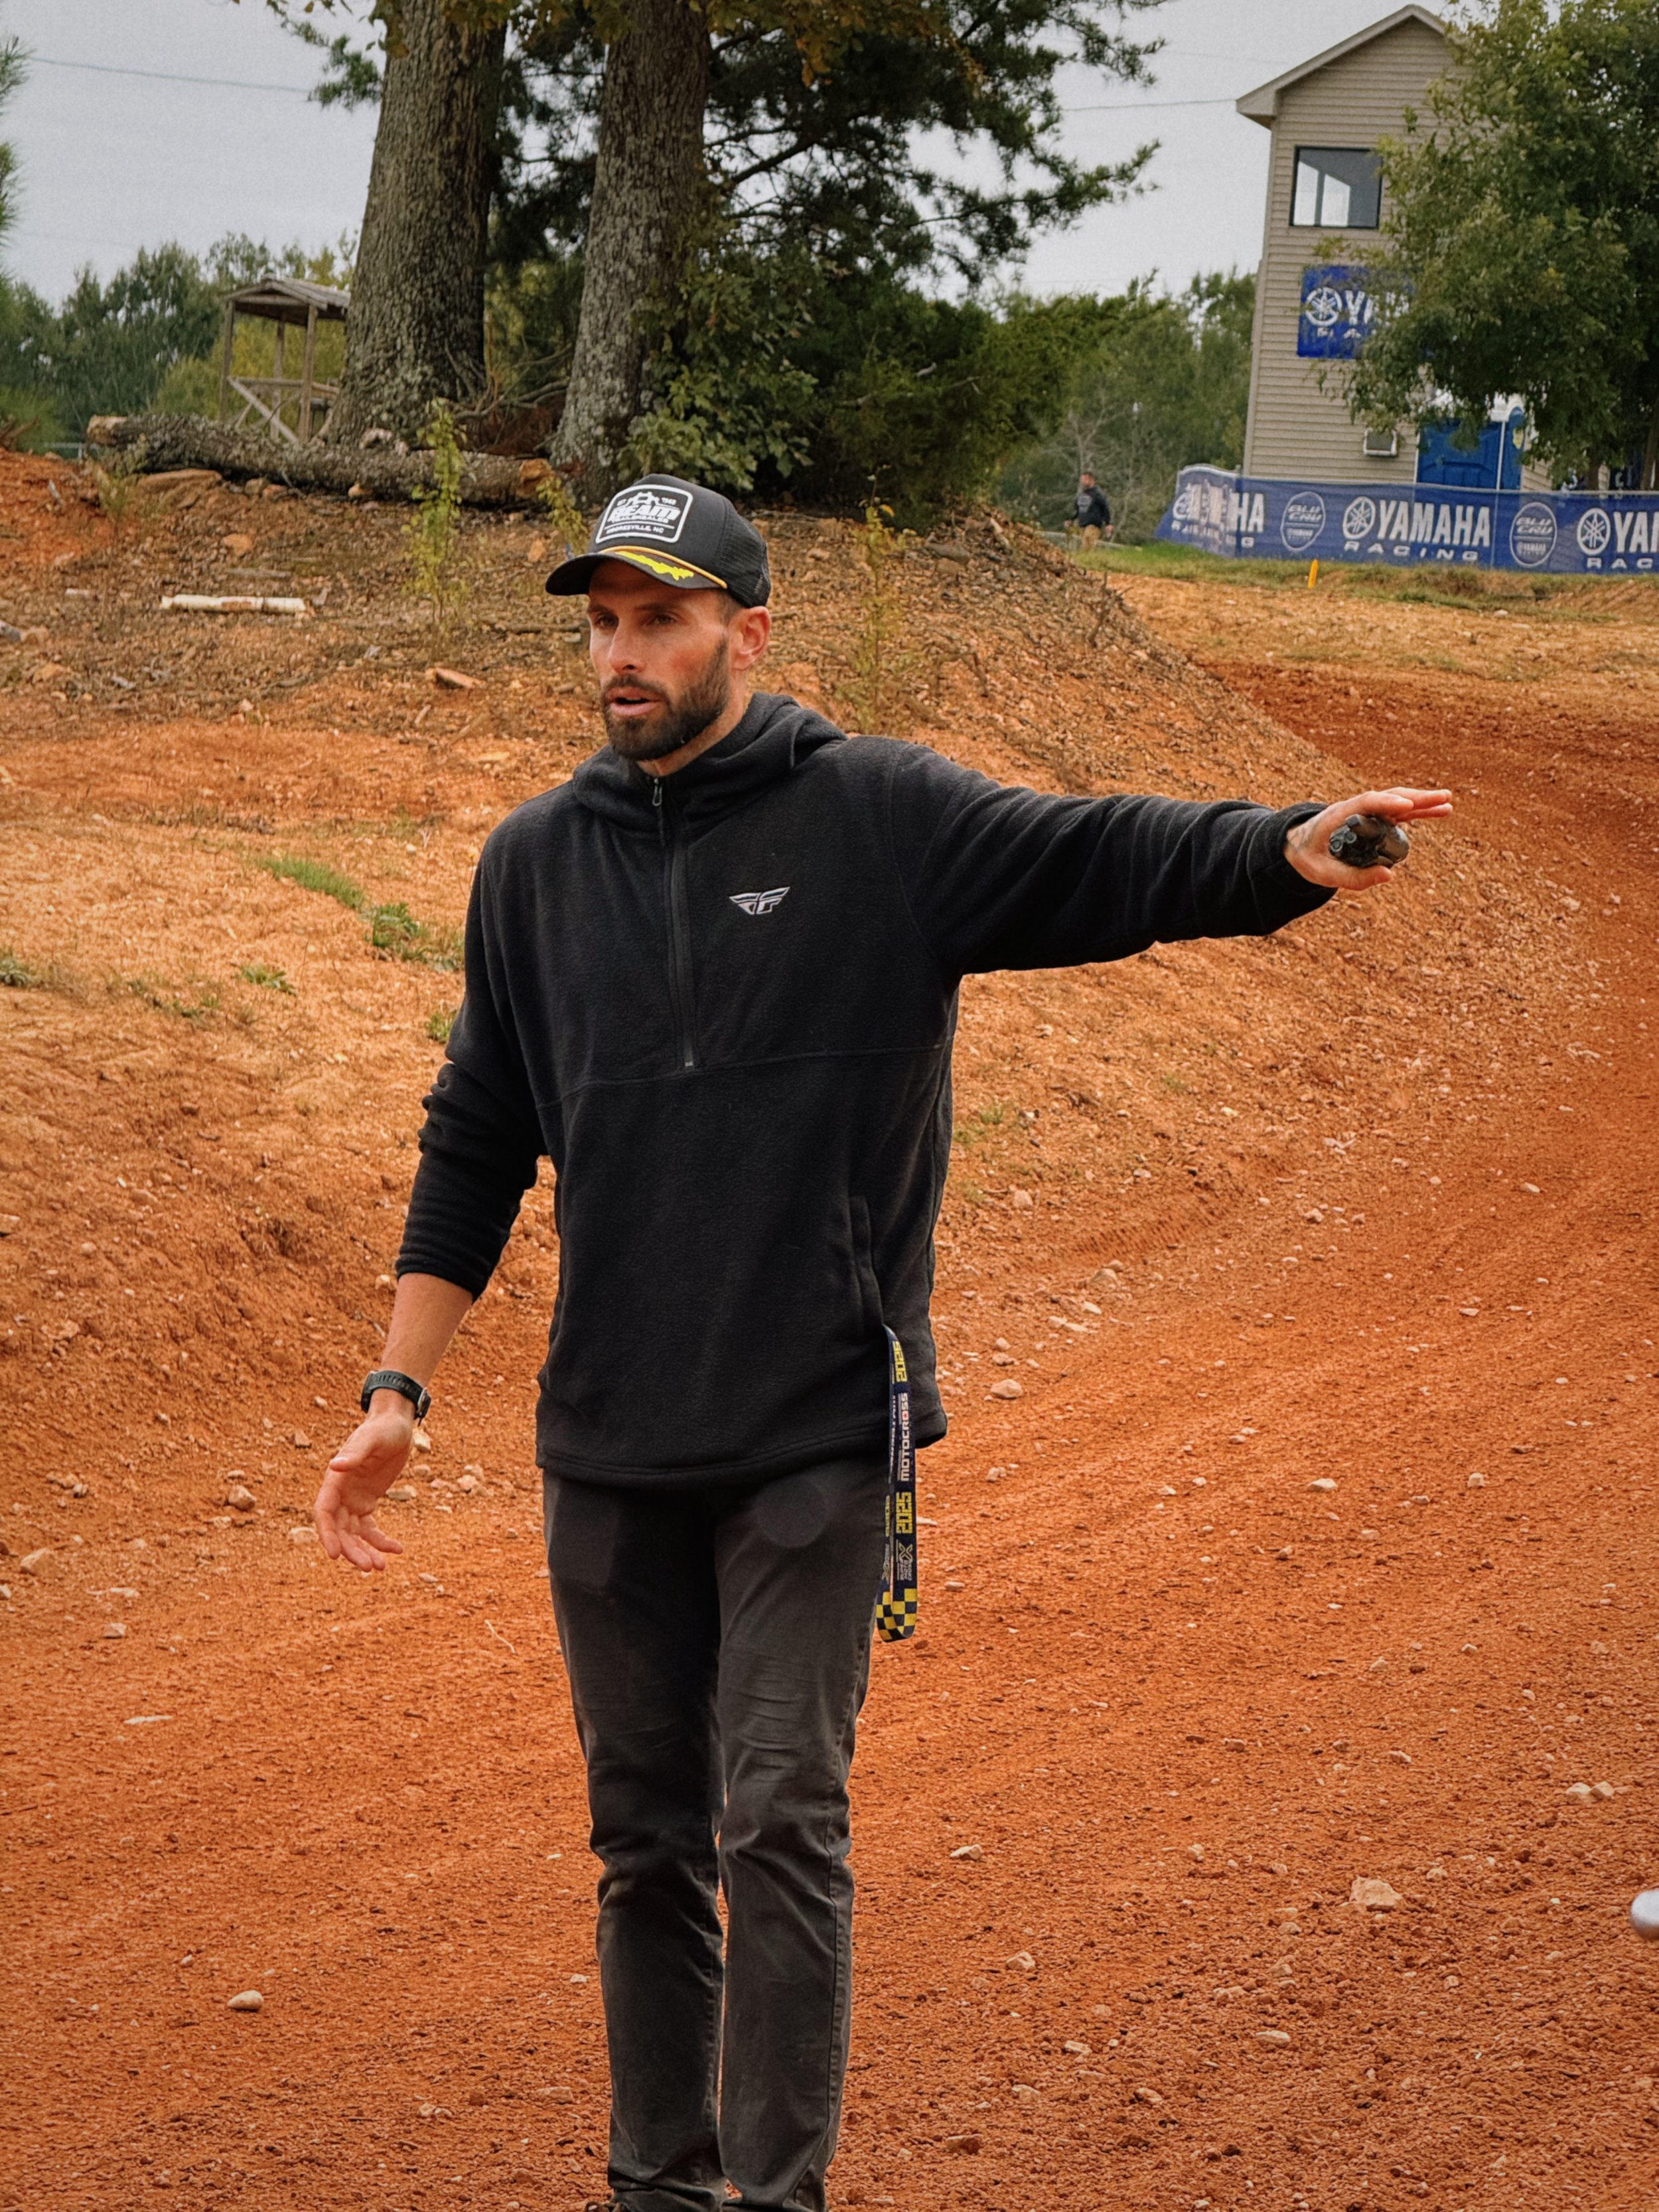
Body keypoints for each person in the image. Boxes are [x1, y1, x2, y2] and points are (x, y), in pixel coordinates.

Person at [313, 472, 1451, 2212]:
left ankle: (776, 2195)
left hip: (814, 1431)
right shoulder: (534, 865)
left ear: (746, 632)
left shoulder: (875, 817)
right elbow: (477, 1130)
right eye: (602, 620)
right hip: (609, 1438)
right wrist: (399, 1383)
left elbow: (1097, 855)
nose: (622, 655)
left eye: (661, 617)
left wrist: (1279, 844)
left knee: (777, 1813)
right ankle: (658, 2185)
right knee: (642, 1843)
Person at [1075, 470, 1113, 547]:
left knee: (1088, 546)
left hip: (1093, 525)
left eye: (1085, 479)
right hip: (1082, 525)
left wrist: (1108, 523)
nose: (1083, 482)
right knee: (1084, 548)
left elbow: (1105, 507)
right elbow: (1077, 509)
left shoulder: (1097, 494)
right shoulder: (1081, 495)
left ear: (1092, 480)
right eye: (1082, 480)